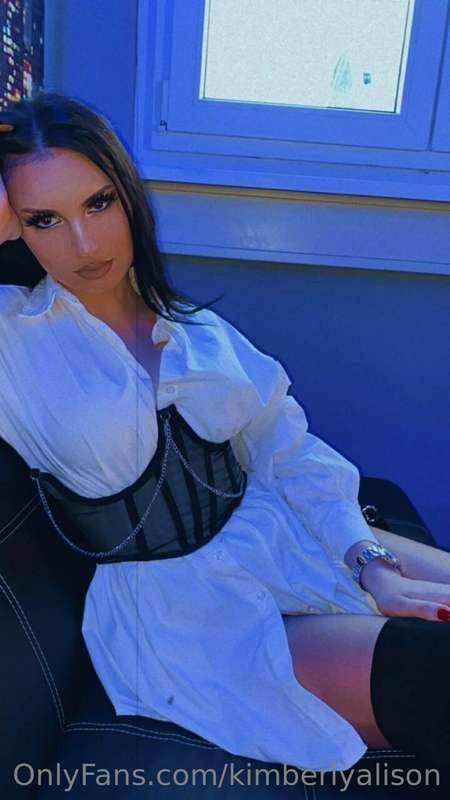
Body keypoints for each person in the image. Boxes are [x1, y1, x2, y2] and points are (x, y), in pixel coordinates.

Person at [0, 92, 450, 775]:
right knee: (433, 674)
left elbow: (289, 453)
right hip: (187, 619)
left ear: (128, 196)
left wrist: (370, 562)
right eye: (45, 219)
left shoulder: (197, 330)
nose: (85, 245)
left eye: (98, 203)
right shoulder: (14, 340)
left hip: (285, 541)